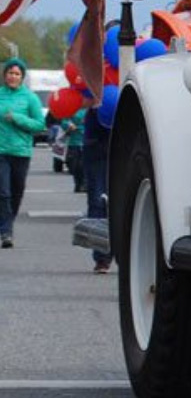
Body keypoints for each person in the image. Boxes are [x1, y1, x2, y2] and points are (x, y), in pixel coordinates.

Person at [0, 58, 46, 248]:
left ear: (22, 77)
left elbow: (39, 125)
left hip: (21, 152)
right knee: (3, 192)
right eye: (10, 73)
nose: (13, 76)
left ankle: (7, 223)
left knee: (16, 192)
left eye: (17, 74)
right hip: (1, 151)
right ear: (4, 75)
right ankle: (6, 231)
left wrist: (17, 118)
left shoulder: (30, 98)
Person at [82, 104, 112, 273]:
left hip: (122, 148)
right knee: (97, 203)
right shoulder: (93, 98)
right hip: (96, 151)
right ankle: (102, 257)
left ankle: (124, 255)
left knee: (121, 203)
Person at [62, 105, 87, 193]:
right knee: (75, 165)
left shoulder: (93, 107)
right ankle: (78, 184)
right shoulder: (72, 107)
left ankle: (85, 184)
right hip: (74, 141)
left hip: (88, 141)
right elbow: (64, 122)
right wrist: (69, 125)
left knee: (84, 164)